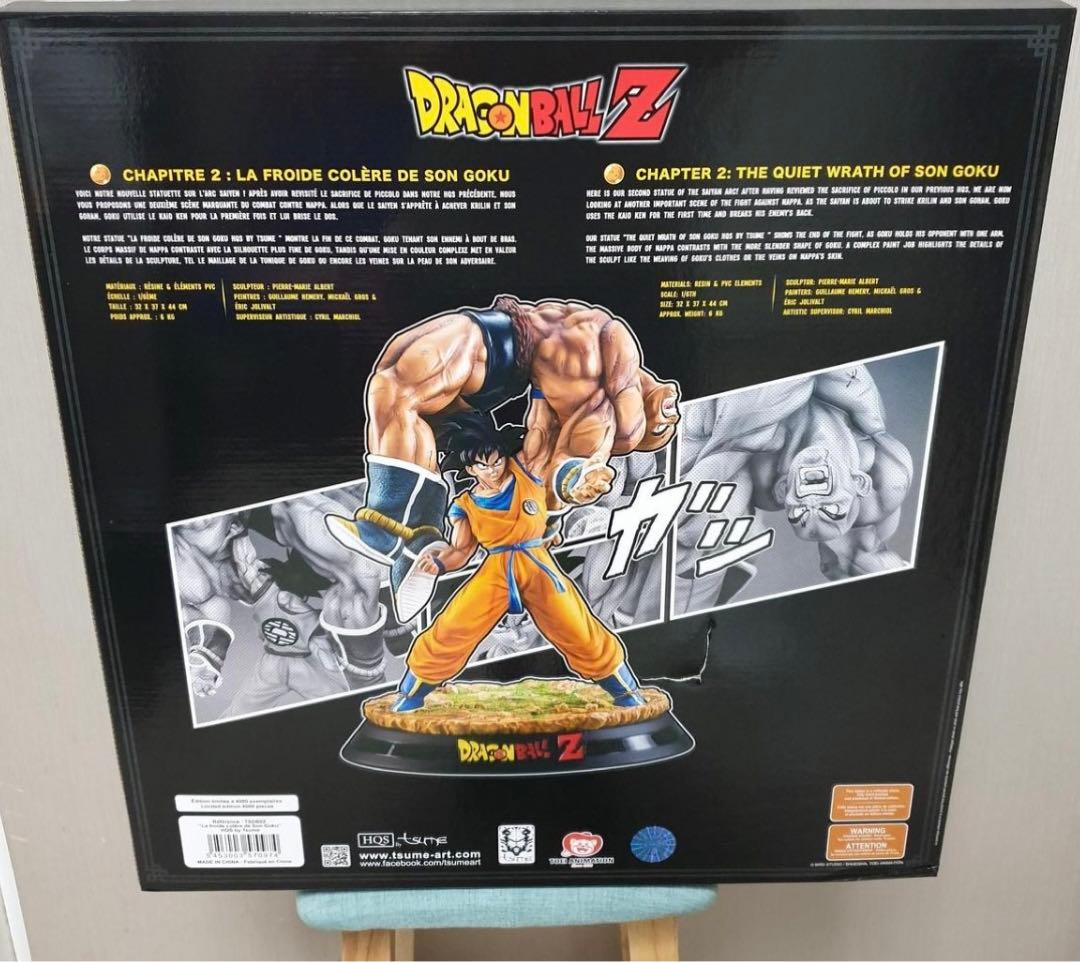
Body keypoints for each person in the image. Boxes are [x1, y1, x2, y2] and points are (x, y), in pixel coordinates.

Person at [324, 296, 680, 622]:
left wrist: (568, 488)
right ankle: (416, 540)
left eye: (662, 425)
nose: (672, 408)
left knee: (394, 388)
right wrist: (549, 516)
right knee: (397, 391)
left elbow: (576, 449)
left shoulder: (606, 392)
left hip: (500, 346)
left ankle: (389, 527)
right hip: (507, 344)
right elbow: (544, 449)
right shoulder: (600, 357)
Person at [389, 413, 646, 713]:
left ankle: (626, 691)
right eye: (484, 465)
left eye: (497, 461)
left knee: (579, 630)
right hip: (495, 572)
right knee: (452, 628)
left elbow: (539, 425)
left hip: (537, 566)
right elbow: (461, 551)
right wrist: (439, 564)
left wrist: (539, 389)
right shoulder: (465, 506)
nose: (493, 470)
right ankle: (410, 695)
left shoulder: (526, 470)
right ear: (470, 468)